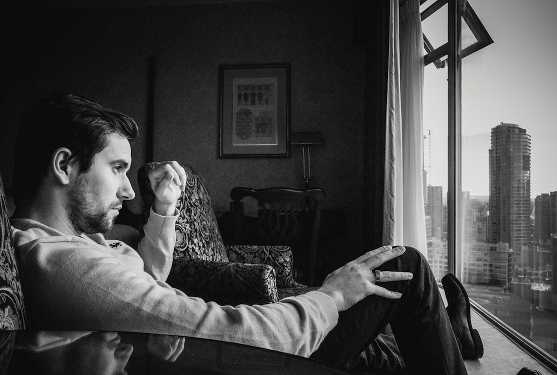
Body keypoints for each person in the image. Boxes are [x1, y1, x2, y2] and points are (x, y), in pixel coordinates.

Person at [11, 93, 471, 374]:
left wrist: (166, 208)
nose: (130, 188)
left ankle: (449, 333)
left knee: (400, 310)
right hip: (252, 358)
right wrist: (331, 296)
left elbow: (148, 276)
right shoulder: (66, 263)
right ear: (64, 165)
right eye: (117, 169)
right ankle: (447, 332)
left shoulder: (78, 242)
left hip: (236, 346)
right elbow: (221, 335)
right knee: (403, 265)